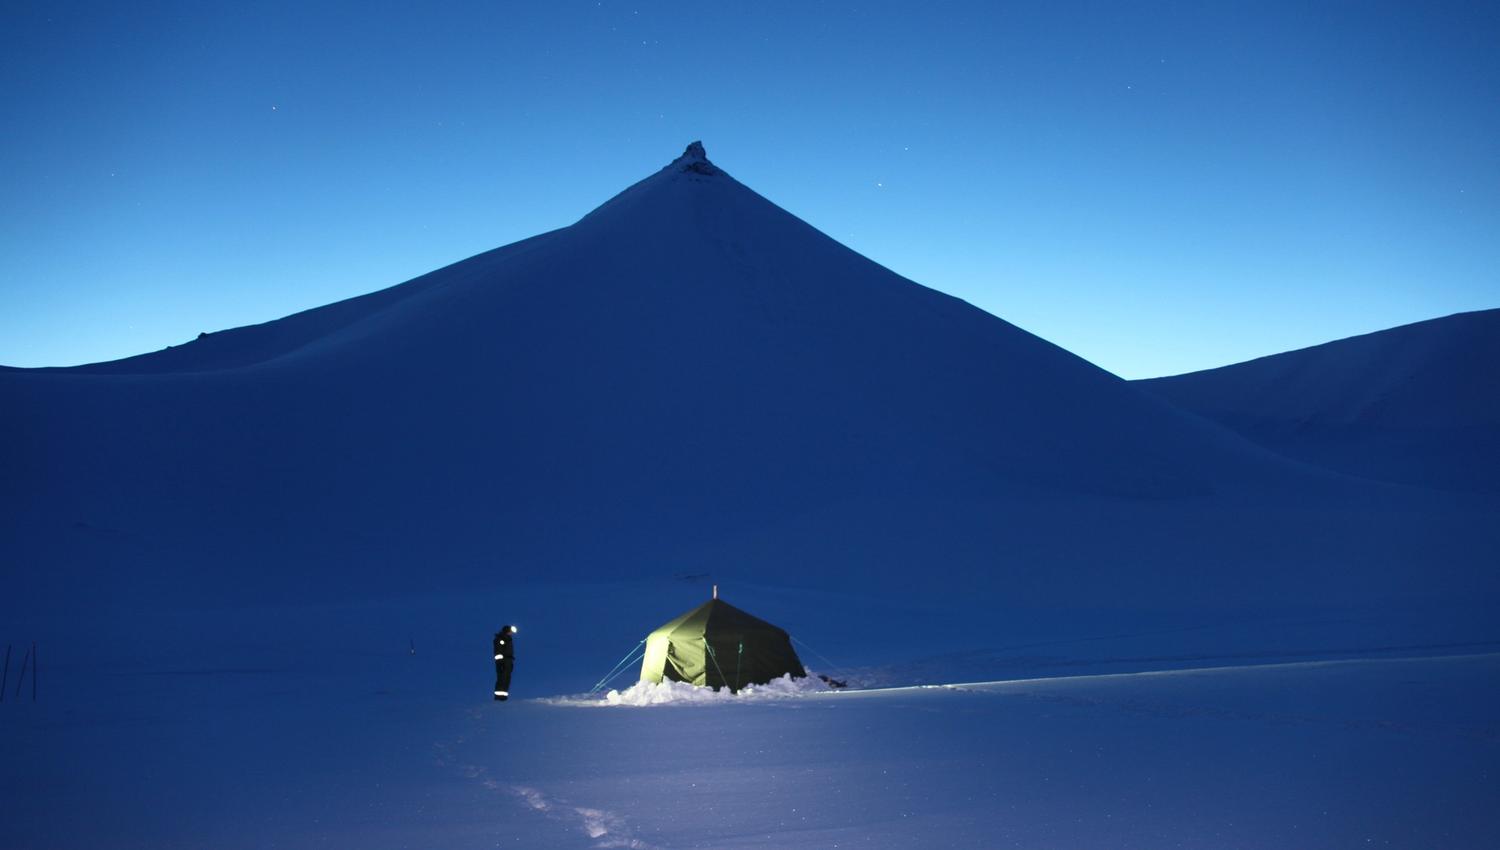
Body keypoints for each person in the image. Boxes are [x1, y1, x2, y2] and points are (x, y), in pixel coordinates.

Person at [493, 625, 517, 701]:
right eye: (510, 631)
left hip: (508, 661)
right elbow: (498, 651)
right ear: (507, 631)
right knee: (502, 678)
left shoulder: (508, 639)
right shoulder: (500, 639)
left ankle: (503, 696)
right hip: (503, 661)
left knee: (507, 678)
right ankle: (498, 696)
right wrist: (500, 662)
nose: (511, 633)